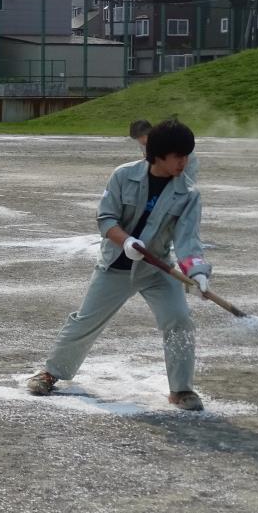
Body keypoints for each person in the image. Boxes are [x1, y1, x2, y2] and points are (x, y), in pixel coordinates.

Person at [26, 119, 213, 411]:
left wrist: (198, 273)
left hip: (157, 269)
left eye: (187, 155)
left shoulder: (188, 194)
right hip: (115, 265)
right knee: (86, 319)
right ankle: (51, 373)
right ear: (159, 154)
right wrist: (126, 241)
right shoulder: (124, 176)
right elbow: (106, 219)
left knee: (179, 320)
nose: (184, 162)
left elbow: (188, 240)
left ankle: (181, 390)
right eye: (179, 156)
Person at [131, 118, 197, 185]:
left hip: (187, 159)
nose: (140, 140)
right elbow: (149, 159)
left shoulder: (159, 139)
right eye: (137, 138)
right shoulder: (143, 143)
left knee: (188, 184)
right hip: (173, 161)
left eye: (141, 136)